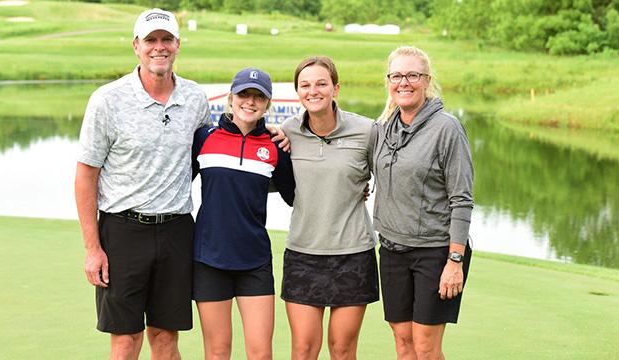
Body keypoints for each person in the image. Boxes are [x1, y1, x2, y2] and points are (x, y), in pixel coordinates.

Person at [74, 8, 212, 360]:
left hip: (177, 229)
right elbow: (86, 176)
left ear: (178, 45)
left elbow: (213, 152)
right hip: (123, 231)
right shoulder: (108, 100)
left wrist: (279, 137)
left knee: (166, 338)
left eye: (166, 39)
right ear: (137, 46)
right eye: (151, 40)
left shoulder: (196, 99)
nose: (159, 47)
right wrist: (93, 248)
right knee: (125, 341)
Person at [372, 45, 474, 360]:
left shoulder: (447, 128)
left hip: (436, 252)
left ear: (426, 80)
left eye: (412, 75)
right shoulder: (382, 128)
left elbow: (462, 199)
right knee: (403, 344)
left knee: (426, 348)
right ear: (389, 81)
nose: (404, 82)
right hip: (391, 250)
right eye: (397, 75)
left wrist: (454, 262)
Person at [191, 68, 295, 360]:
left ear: (267, 104)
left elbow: (297, 197)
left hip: (255, 262)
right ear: (231, 97)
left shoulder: (276, 146)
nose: (250, 102)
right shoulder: (204, 138)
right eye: (244, 94)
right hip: (209, 259)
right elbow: (174, 182)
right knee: (217, 352)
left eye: (258, 97)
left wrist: (354, 188)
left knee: (261, 354)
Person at [280, 56, 378, 360]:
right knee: (304, 349)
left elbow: (391, 175)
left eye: (321, 83)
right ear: (297, 91)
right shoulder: (287, 132)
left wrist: (366, 185)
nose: (313, 91)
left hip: (353, 254)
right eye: (305, 85)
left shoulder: (366, 131)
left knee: (342, 349)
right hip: (303, 253)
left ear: (335, 88)